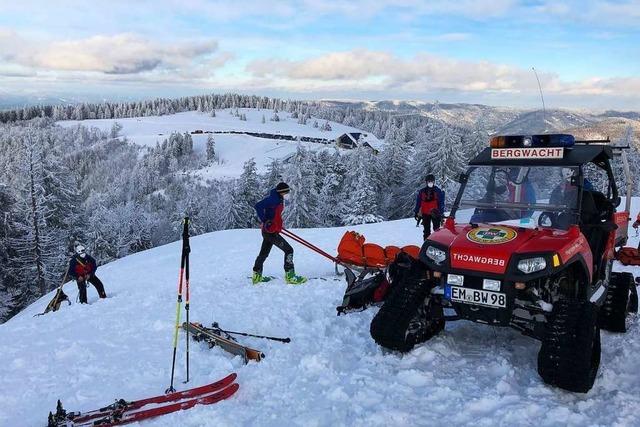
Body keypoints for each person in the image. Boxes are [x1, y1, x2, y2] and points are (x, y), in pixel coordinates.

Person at [252, 182, 307, 285]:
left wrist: (277, 224)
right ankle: (290, 276)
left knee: (263, 254)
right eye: (285, 192)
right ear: (281, 192)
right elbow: (258, 206)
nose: (286, 194)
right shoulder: (273, 199)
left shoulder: (278, 198)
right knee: (289, 250)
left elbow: (274, 214)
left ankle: (257, 276)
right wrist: (265, 220)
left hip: (270, 230)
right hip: (270, 231)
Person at [414, 174, 445, 240]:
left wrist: (441, 213)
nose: (430, 183)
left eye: (432, 181)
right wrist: (416, 212)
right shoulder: (422, 192)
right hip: (425, 214)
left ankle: (437, 244)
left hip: (435, 213)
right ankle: (426, 244)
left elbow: (441, 203)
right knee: (426, 231)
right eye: (429, 181)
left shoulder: (438, 191)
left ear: (434, 182)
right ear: (426, 182)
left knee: (436, 230)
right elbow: (418, 202)